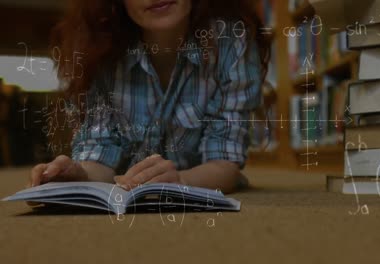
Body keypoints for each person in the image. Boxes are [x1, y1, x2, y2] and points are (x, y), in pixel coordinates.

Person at [29, 0, 270, 194]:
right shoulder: (98, 50)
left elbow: (225, 163)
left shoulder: (232, 41)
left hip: (199, 185)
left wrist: (180, 180)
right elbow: (100, 155)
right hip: (125, 190)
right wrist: (77, 174)